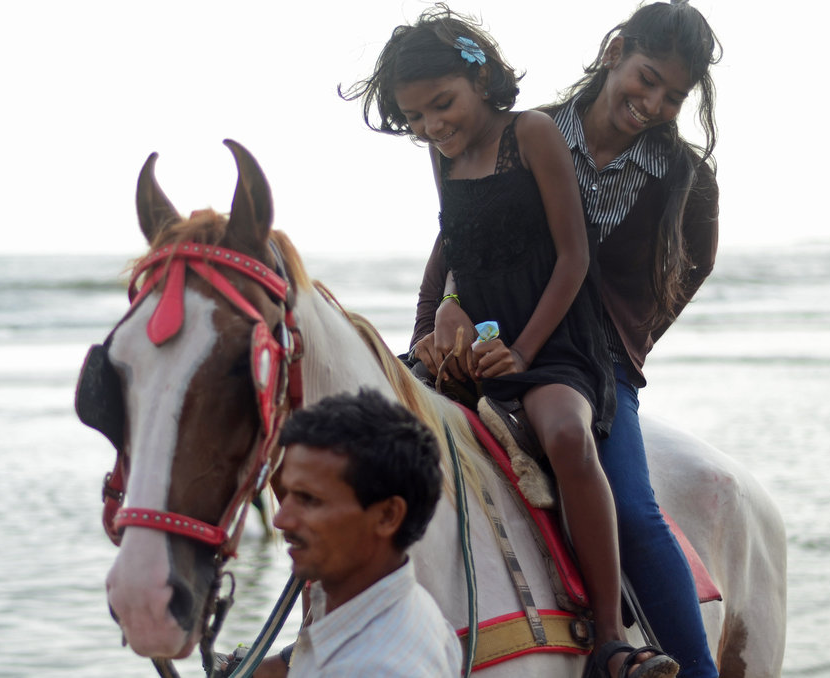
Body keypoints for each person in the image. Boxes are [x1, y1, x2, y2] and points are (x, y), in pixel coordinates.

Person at [342, 6, 679, 678]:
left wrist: (523, 352)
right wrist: (431, 329)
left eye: (442, 105)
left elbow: (573, 258)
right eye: (416, 119)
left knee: (564, 435)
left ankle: (610, 638)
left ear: (480, 77)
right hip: (487, 342)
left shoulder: (532, 135)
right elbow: (455, 254)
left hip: (555, 344)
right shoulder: (444, 158)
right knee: (371, 425)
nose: (433, 126)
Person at [229, 389, 462, 677]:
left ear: (388, 516)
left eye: (309, 499)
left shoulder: (373, 668)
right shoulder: (421, 614)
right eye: (286, 495)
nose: (280, 519)